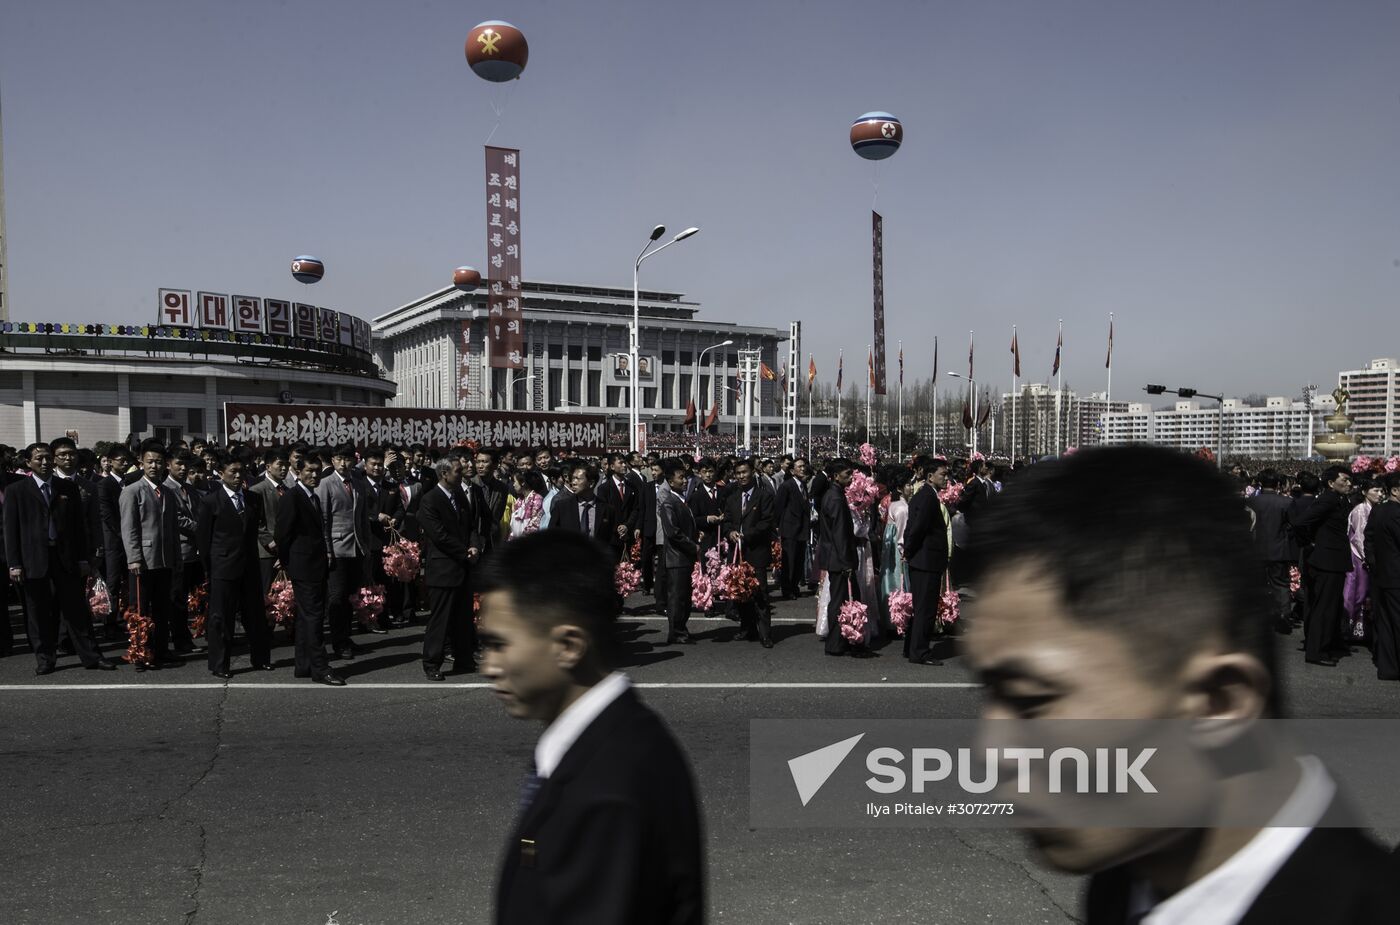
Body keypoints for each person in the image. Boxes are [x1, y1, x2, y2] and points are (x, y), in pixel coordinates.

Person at [963, 445, 1399, 925]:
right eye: (988, 693)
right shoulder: (1128, 880)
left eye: (1032, 700)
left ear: (1219, 702)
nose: (991, 750)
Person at [478, 531, 705, 924]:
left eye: (501, 645)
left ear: (568, 646)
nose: (489, 666)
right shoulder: (609, 740)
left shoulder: (608, 787)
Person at [3, 444, 116, 674]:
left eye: (47, 458)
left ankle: (92, 656)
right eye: (38, 459)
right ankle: (45, 659)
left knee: (76, 611)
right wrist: (14, 563)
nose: (44, 462)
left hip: (65, 558)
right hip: (33, 560)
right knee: (39, 613)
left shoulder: (67, 488)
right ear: (28, 463)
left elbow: (78, 528)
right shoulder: (17, 490)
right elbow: (10, 530)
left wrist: (84, 559)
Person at [194, 452, 273, 678]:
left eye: (241, 471)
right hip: (223, 567)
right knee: (221, 618)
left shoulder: (252, 499)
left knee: (255, 615)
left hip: (249, 565)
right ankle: (220, 664)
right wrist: (210, 569)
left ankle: (261, 658)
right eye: (233, 472)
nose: (238, 476)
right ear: (221, 474)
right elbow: (204, 539)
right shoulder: (210, 501)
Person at [274, 452, 343, 686]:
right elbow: (282, 535)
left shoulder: (312, 496)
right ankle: (320, 668)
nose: (314, 475)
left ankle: (303, 664)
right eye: (308, 471)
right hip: (302, 567)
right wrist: (288, 562)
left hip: (315, 565)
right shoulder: (292, 497)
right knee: (314, 618)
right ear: (299, 472)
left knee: (307, 617)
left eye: (317, 471)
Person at [119, 440, 187, 670]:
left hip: (165, 559)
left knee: (162, 608)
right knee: (140, 609)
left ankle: (161, 650)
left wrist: (177, 557)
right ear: (141, 463)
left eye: (159, 462)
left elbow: (173, 529)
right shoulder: (132, 491)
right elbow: (129, 528)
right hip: (143, 561)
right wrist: (133, 557)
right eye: (150, 461)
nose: (154, 466)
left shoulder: (167, 491)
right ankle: (140, 652)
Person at [417, 456, 483, 680]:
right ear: (444, 474)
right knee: (440, 619)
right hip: (444, 568)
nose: (462, 473)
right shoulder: (430, 500)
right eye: (457, 470)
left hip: (463, 567)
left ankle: (464, 659)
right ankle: (432, 663)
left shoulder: (460, 497)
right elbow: (439, 536)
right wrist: (464, 551)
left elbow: (471, 526)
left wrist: (474, 545)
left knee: (463, 618)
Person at [1293, 467, 1354, 667]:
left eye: (1349, 480)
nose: (1348, 484)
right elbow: (1301, 522)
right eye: (1344, 480)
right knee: (1323, 608)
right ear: (1330, 483)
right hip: (1326, 561)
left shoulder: (1339, 499)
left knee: (1331, 607)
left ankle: (1325, 645)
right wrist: (1309, 543)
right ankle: (1315, 651)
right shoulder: (1328, 499)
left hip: (1333, 560)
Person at [317, 443, 372, 655]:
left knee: (350, 596)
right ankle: (338, 641)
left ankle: (346, 637)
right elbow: (323, 519)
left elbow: (363, 518)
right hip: (337, 547)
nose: (343, 463)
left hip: (356, 546)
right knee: (336, 597)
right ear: (332, 461)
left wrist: (365, 545)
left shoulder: (358, 483)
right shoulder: (326, 484)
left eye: (347, 459)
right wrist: (327, 549)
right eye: (339, 459)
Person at [902, 460, 951, 666]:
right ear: (930, 476)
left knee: (920, 606)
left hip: (924, 559)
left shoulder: (925, 495)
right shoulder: (928, 497)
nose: (946, 478)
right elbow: (917, 528)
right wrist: (909, 551)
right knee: (925, 608)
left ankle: (911, 647)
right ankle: (920, 652)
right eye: (942, 474)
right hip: (926, 560)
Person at [722, 458, 775, 647]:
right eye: (738, 473)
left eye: (744, 472)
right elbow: (727, 520)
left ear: (752, 472)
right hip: (737, 552)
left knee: (760, 593)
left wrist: (747, 535)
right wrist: (730, 532)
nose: (741, 476)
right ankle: (747, 628)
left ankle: (765, 633)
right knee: (740, 591)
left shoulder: (764, 495)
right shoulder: (732, 497)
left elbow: (767, 522)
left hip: (756, 550)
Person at [817, 459, 867, 657]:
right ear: (836, 476)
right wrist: (847, 562)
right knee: (840, 601)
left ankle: (842, 640)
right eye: (847, 474)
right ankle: (836, 642)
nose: (850, 478)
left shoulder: (833, 495)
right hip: (839, 558)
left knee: (842, 599)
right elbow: (840, 534)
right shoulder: (836, 498)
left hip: (835, 556)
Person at [1246, 469, 1298, 635]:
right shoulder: (1286, 502)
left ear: (1260, 483)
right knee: (1281, 584)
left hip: (1256, 549)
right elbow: (1293, 525)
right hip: (1279, 549)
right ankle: (1283, 614)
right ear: (1278, 484)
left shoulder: (1251, 501)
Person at [657, 460, 700, 644]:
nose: (684, 481)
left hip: (684, 557)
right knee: (676, 598)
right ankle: (676, 632)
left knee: (684, 596)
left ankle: (681, 628)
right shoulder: (669, 503)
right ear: (670, 481)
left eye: (685, 477)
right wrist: (693, 546)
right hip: (676, 558)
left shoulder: (681, 501)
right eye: (680, 477)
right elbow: (673, 533)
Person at [1365, 472, 1400, 681]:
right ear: (1395, 490)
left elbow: (1368, 539)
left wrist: (1373, 564)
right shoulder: (1396, 513)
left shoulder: (1378, 511)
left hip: (1381, 576)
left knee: (1385, 623)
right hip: (1395, 576)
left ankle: (1388, 668)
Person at [1343, 478, 1383, 641]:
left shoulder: (1375, 509)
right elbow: (1359, 537)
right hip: (1358, 557)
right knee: (1355, 593)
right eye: (1376, 491)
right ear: (1364, 492)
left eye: (1381, 491)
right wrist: (1367, 558)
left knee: (1365, 594)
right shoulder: (1360, 510)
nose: (1379, 494)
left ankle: (1361, 628)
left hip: (1367, 557)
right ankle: (1348, 628)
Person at [248, 448, 288, 594]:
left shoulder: (288, 490)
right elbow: (256, 521)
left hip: (285, 549)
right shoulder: (257, 489)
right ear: (268, 467)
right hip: (266, 551)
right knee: (266, 591)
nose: (284, 468)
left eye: (286, 465)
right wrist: (270, 541)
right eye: (280, 464)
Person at [774, 458, 811, 601]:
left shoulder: (803, 485)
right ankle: (787, 589)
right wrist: (778, 526)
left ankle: (794, 586)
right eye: (800, 467)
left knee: (799, 560)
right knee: (789, 561)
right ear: (792, 470)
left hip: (801, 529)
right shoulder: (787, 486)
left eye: (804, 466)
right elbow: (778, 507)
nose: (803, 469)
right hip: (789, 529)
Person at [508, 470, 548, 540]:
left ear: (522, 482)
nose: (513, 485)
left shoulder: (537, 499)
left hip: (529, 541)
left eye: (514, 482)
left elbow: (534, 524)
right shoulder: (519, 501)